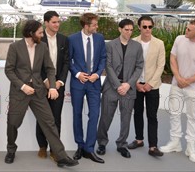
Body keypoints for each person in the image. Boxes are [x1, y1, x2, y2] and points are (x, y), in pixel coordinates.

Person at [4, 19, 78, 168]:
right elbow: (9, 70)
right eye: (40, 32)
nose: (42, 34)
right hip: (20, 92)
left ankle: (61, 156)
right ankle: (11, 150)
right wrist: (23, 86)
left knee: (49, 123)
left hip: (38, 91)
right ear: (31, 33)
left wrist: (51, 87)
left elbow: (50, 69)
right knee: (13, 123)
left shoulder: (42, 46)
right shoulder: (15, 47)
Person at [160, 19, 195, 163]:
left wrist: (188, 81)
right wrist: (178, 77)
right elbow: (172, 59)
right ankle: (175, 143)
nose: (186, 31)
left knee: (192, 118)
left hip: (194, 89)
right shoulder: (179, 40)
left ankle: (191, 148)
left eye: (189, 30)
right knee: (174, 114)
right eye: (186, 28)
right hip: (176, 85)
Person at [96, 18, 144, 158]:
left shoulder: (137, 46)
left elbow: (139, 66)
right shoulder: (110, 45)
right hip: (111, 87)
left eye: (131, 30)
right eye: (126, 30)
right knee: (105, 117)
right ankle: (102, 143)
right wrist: (118, 85)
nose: (129, 32)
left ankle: (122, 144)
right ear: (120, 29)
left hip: (128, 88)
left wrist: (128, 84)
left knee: (126, 118)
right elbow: (108, 66)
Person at [68, 12, 106, 164]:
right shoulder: (72, 39)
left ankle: (89, 149)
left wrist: (97, 74)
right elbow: (68, 60)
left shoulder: (100, 38)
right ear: (86, 26)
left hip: (94, 83)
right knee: (77, 114)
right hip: (78, 83)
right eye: (95, 24)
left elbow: (103, 58)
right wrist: (77, 74)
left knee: (94, 114)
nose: (97, 26)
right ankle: (80, 145)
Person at [127, 15, 166, 157]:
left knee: (152, 116)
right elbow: (129, 65)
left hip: (152, 86)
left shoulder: (159, 44)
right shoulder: (133, 42)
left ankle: (153, 146)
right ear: (139, 27)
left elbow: (160, 65)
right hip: (136, 85)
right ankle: (139, 140)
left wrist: (150, 83)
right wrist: (135, 83)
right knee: (137, 113)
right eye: (145, 27)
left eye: (150, 26)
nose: (148, 29)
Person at [36, 11, 69, 160]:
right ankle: (42, 146)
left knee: (56, 118)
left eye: (58, 22)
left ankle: (55, 149)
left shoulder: (64, 40)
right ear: (46, 23)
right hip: (43, 84)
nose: (57, 25)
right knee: (43, 117)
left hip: (58, 84)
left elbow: (67, 62)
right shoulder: (39, 40)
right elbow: (36, 64)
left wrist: (60, 82)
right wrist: (46, 82)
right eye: (54, 22)